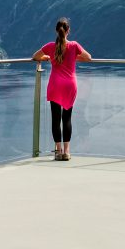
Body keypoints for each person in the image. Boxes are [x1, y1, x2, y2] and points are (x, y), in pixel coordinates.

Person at [32, 17, 92, 161]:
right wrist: (74, 59)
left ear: (56, 30)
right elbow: (88, 57)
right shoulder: (74, 45)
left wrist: (47, 57)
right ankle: (67, 151)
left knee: (55, 119)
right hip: (69, 85)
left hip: (55, 85)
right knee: (67, 118)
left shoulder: (50, 46)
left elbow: (35, 56)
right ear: (68, 31)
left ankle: (57, 151)